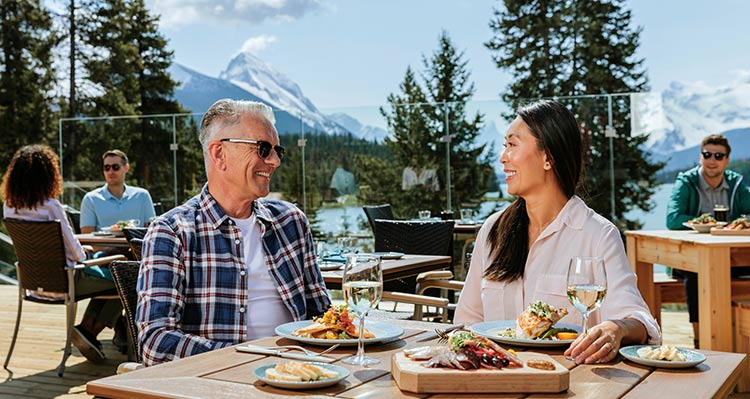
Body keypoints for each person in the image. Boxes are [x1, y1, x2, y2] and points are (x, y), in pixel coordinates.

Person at [454, 100, 661, 364]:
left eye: (512, 145)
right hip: (497, 379)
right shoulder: (493, 231)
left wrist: (617, 329)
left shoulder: (598, 235)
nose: (503, 157)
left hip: (570, 381)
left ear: (548, 158)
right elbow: (467, 321)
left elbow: (638, 319)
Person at [137, 99, 331, 366]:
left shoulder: (291, 222)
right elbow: (155, 342)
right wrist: (251, 358)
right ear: (219, 154)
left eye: (278, 150)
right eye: (263, 149)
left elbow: (323, 314)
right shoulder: (172, 232)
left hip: (301, 376)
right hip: (215, 385)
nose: (274, 161)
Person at [1, 144, 123, 363]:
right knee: (123, 280)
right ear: (47, 175)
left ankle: (88, 332)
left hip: (35, 285)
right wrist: (87, 254)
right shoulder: (52, 206)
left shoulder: (9, 206)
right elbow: (77, 255)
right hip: (68, 280)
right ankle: (91, 330)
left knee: (108, 276)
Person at [665, 134, 750, 348]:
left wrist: (736, 223)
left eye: (718, 155)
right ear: (701, 157)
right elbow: (673, 219)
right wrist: (706, 224)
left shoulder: (736, 183)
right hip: (690, 258)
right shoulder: (686, 181)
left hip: (730, 256)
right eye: (707, 154)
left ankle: (740, 332)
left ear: (727, 160)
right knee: (698, 274)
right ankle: (699, 339)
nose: (712, 159)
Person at [79, 149, 155, 233]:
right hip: (104, 246)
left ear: (126, 168)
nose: (110, 172)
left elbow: (152, 232)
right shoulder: (90, 199)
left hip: (136, 246)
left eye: (115, 167)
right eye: (107, 168)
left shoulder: (142, 196)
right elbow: (87, 237)